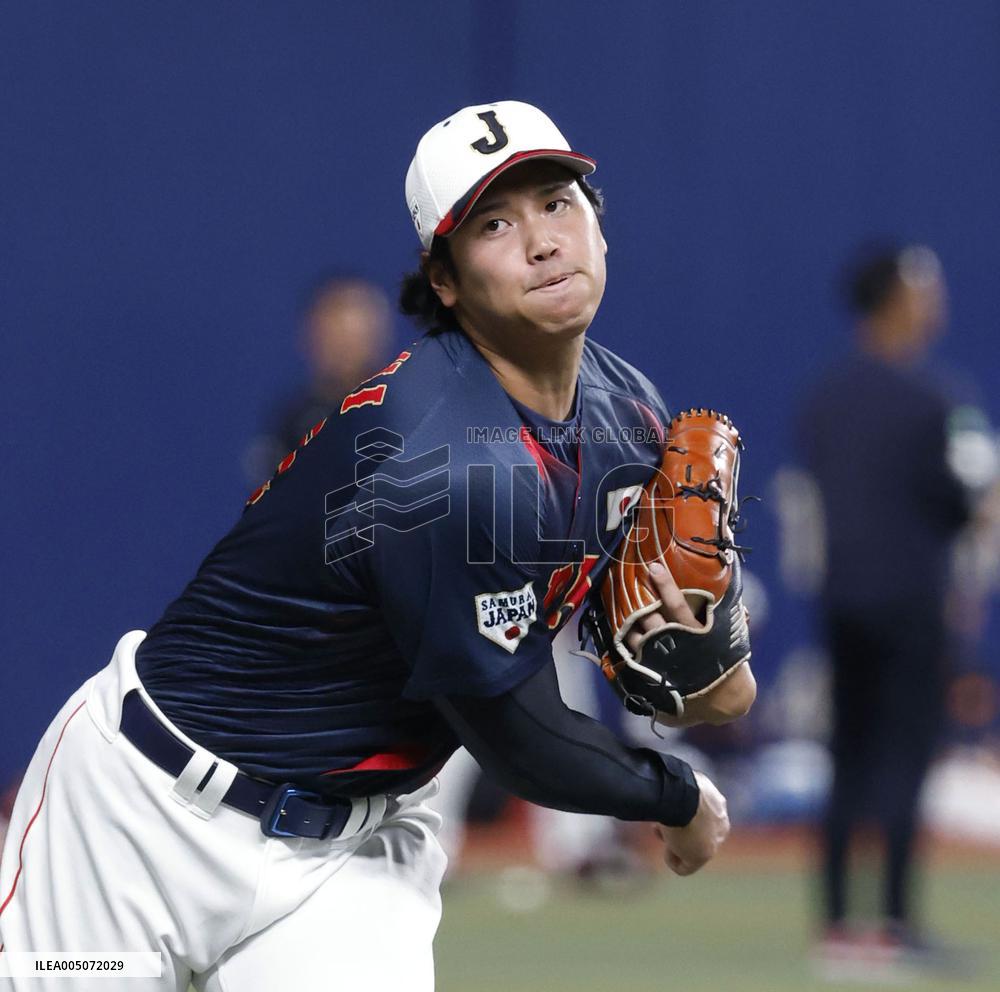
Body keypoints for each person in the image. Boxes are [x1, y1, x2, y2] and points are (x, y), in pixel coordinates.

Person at [0, 101, 753, 991]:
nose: (543, 240)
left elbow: (665, 653)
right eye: (496, 224)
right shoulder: (444, 457)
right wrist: (678, 794)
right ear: (444, 279)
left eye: (559, 202)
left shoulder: (626, 410)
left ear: (598, 218)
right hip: (141, 824)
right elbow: (521, 744)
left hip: (351, 861)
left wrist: (717, 666)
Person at [800, 243, 976, 973]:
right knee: (904, 759)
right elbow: (958, 504)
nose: (934, 301)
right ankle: (895, 925)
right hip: (909, 601)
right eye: (923, 288)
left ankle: (838, 926)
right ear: (897, 299)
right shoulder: (933, 398)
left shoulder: (826, 396)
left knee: (846, 758)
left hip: (842, 599)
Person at [243, 275, 394, 485]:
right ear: (312, 335)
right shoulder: (293, 425)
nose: (347, 345)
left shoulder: (411, 412)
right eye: (337, 330)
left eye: (356, 332)